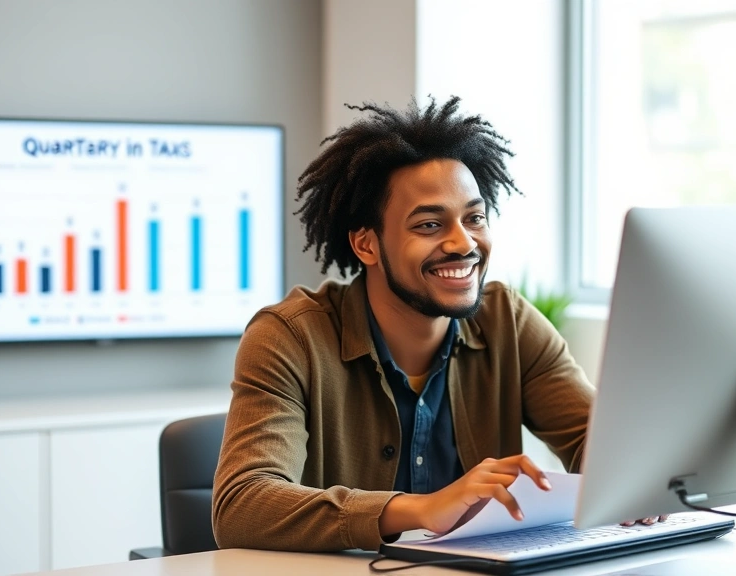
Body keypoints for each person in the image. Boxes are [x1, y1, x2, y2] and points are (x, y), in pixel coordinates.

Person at [212, 96, 654, 553]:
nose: (464, 243)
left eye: (474, 218)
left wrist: (634, 476)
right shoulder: (289, 337)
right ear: (367, 245)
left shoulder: (508, 321)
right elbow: (242, 504)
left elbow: (592, 440)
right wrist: (420, 508)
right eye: (428, 225)